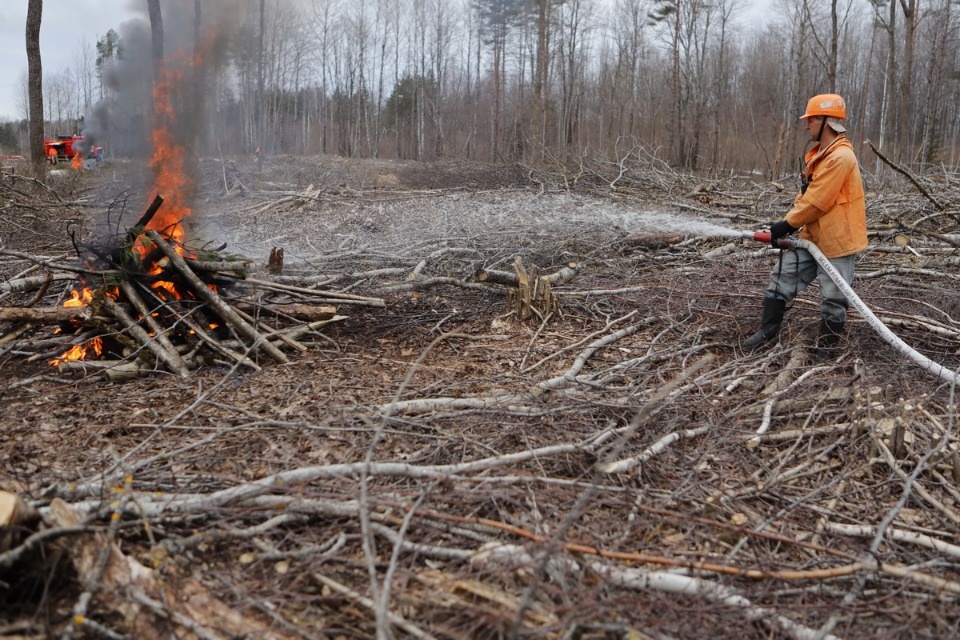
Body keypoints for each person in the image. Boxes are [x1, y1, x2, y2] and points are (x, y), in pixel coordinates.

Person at [743, 93, 868, 358]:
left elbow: (818, 202)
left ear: (826, 121)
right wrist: (787, 224)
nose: (806, 125)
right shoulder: (820, 155)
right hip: (811, 237)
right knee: (782, 278)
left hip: (837, 241)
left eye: (810, 120)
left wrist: (786, 225)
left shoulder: (841, 158)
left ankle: (826, 349)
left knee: (834, 297)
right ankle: (766, 333)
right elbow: (805, 197)